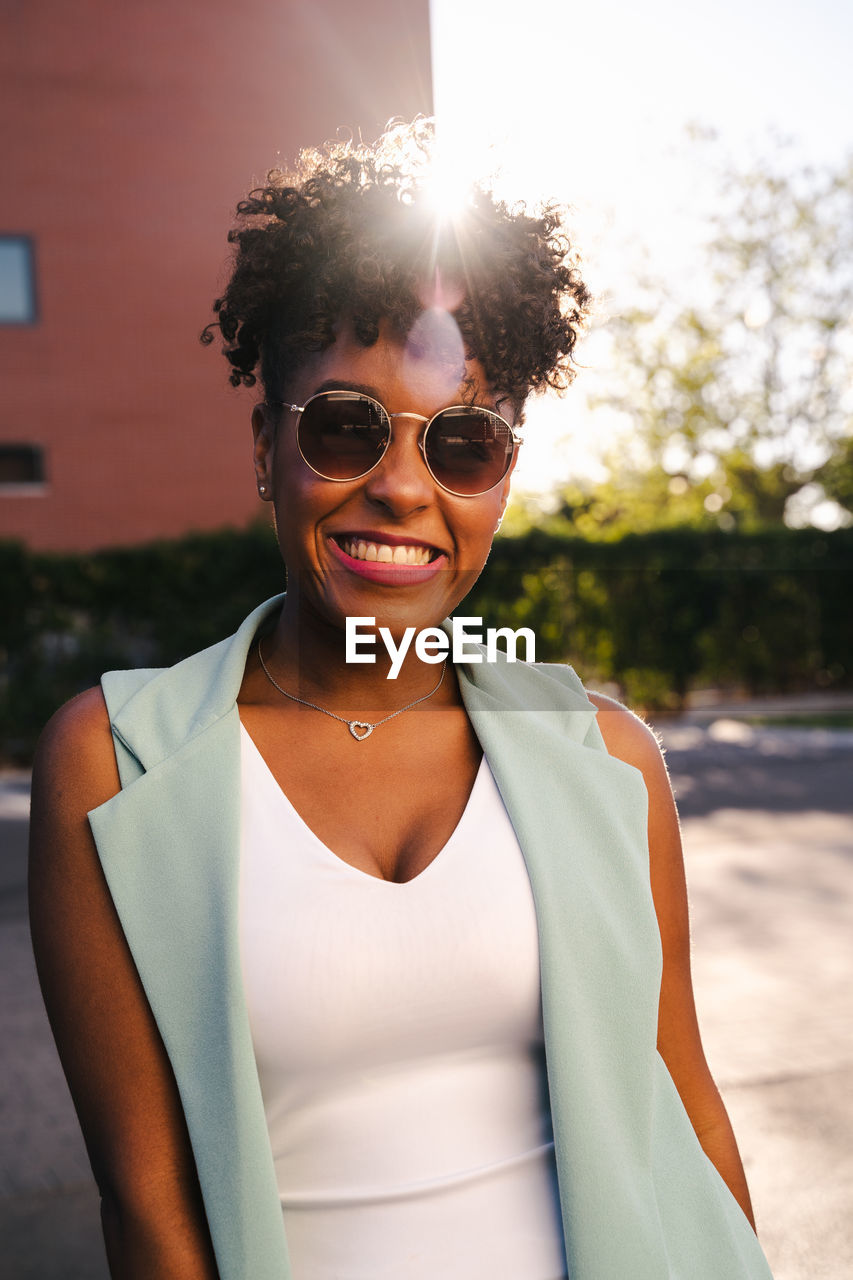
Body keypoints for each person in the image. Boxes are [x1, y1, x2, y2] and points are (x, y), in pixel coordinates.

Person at [29, 119, 774, 1280]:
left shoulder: (606, 754)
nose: (401, 486)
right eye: (343, 426)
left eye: (462, 444)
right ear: (264, 448)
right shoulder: (115, 762)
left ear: (500, 479)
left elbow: (682, 1099)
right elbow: (150, 1206)